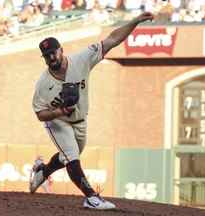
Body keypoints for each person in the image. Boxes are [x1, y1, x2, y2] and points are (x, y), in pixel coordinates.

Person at [30, 11, 154, 210]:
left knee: (68, 156)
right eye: (46, 55)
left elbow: (112, 40)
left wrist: (135, 21)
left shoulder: (81, 59)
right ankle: (91, 197)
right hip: (57, 121)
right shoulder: (43, 84)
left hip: (80, 120)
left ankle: (42, 172)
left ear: (61, 50)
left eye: (53, 52)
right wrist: (58, 112)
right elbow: (39, 114)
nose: (51, 57)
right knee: (71, 155)